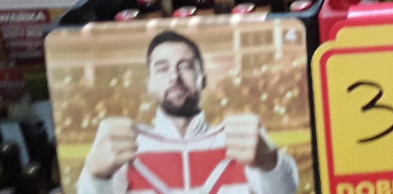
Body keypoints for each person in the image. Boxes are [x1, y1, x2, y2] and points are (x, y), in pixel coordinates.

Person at [77, 31, 299, 194]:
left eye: (185, 66)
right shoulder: (125, 147)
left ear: (203, 79)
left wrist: (271, 163)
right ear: (149, 84)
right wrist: (95, 175)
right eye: (162, 68)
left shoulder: (241, 140)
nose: (174, 77)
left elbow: (286, 190)